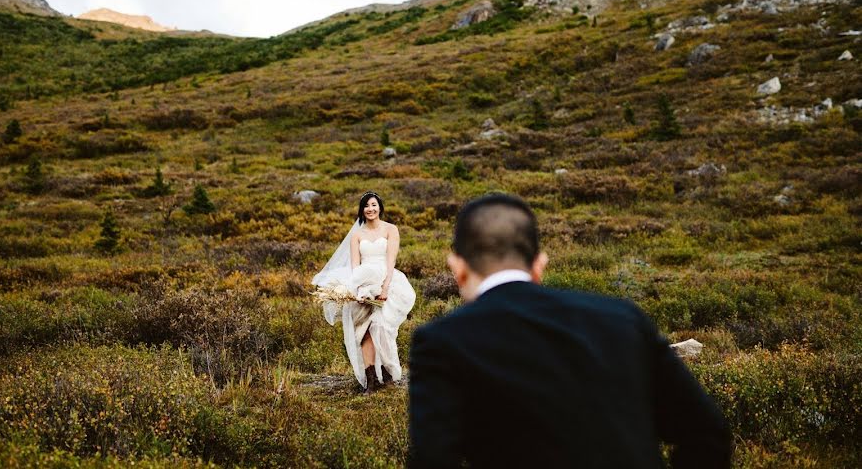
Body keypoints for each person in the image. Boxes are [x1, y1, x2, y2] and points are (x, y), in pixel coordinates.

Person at [407, 193, 731, 468]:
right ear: (539, 265)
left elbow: (434, 459)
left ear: (458, 267)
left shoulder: (442, 342)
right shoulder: (623, 318)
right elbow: (707, 431)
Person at [312, 191, 416, 394]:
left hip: (387, 281)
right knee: (365, 332)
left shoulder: (390, 230)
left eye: (374, 205)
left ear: (380, 207)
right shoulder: (357, 235)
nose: (370, 209)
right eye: (366, 206)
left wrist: (385, 288)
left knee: (382, 328)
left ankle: (387, 373)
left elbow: (391, 260)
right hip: (363, 283)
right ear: (362, 210)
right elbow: (355, 266)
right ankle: (371, 381)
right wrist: (357, 290)